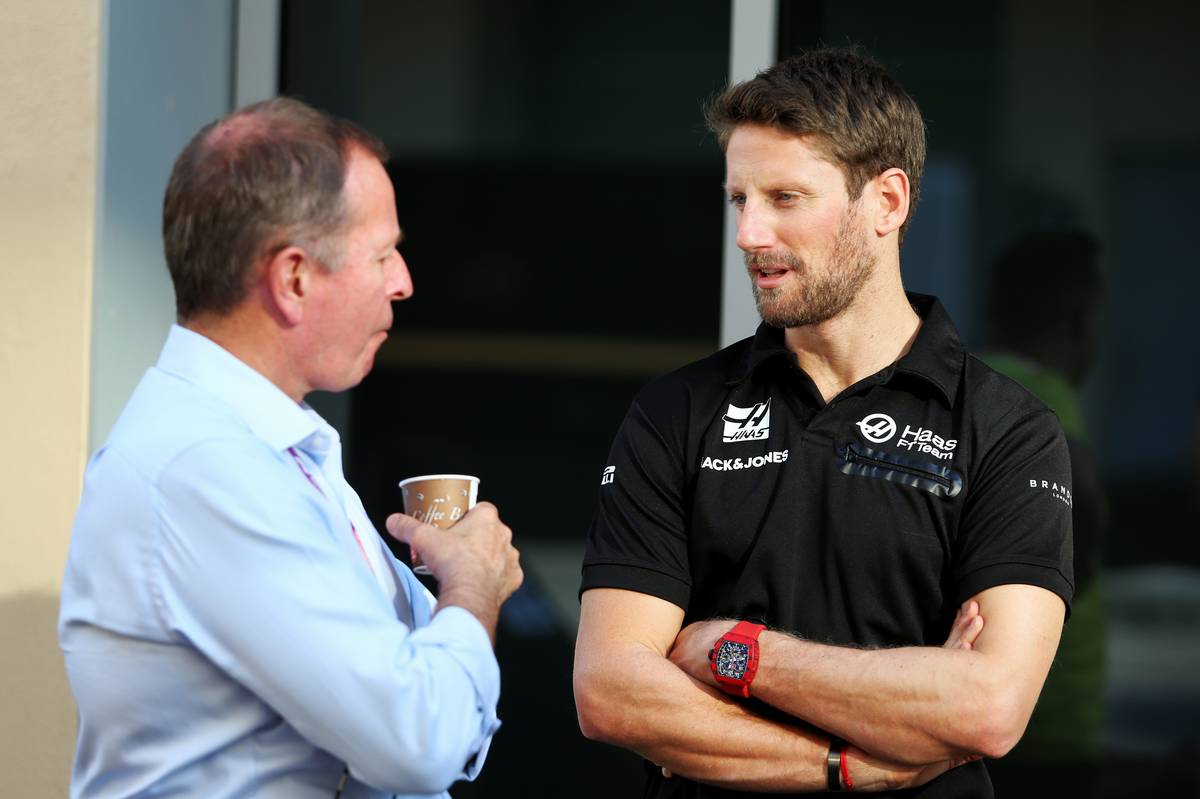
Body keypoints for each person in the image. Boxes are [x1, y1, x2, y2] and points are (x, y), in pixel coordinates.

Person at [573, 47, 1073, 797]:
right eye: (739, 199)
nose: (749, 233)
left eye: (785, 197)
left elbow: (988, 707)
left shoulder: (1007, 429)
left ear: (887, 203)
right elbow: (612, 692)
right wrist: (845, 765)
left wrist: (735, 651)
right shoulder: (677, 411)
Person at [58, 97, 522, 798]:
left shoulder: (278, 446)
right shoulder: (205, 467)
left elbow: (441, 707)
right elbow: (420, 739)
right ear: (293, 279)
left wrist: (455, 616)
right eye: (383, 254)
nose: (403, 281)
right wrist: (472, 587)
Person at [980, 230, 1107, 796]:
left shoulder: (972, 385)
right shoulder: (1046, 401)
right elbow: (1081, 514)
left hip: (986, 709)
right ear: (1082, 320)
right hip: (1048, 719)